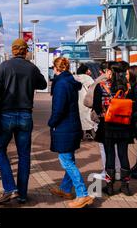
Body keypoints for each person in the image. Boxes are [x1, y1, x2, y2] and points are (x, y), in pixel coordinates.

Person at [0, 38, 47, 204]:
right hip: (25, 115)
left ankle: (10, 188)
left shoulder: (5, 66)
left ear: (13, 50)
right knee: (24, 155)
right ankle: (22, 194)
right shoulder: (32, 67)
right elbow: (43, 84)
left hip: (6, 114)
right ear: (25, 51)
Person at [48, 57, 94, 208]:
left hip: (64, 126)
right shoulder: (70, 82)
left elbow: (59, 108)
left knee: (66, 161)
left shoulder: (61, 84)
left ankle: (83, 194)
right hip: (73, 125)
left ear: (57, 69)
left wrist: (52, 122)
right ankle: (66, 189)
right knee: (69, 159)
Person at [93, 61, 134, 196]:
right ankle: (125, 186)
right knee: (123, 155)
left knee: (109, 154)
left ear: (110, 72)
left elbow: (96, 106)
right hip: (124, 125)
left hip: (107, 124)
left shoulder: (102, 86)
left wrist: (103, 113)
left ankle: (109, 186)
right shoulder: (127, 88)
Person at [84, 61, 121, 181]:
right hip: (120, 119)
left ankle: (107, 173)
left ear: (106, 71)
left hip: (104, 118)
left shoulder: (100, 83)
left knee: (105, 147)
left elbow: (90, 102)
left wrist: (98, 113)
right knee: (118, 147)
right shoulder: (123, 84)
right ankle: (119, 172)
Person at [74, 64, 96, 140]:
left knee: (80, 118)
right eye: (88, 70)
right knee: (88, 118)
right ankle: (92, 135)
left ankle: (81, 136)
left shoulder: (75, 77)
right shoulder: (88, 78)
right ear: (85, 71)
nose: (90, 71)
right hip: (86, 101)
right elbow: (93, 88)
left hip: (77, 101)